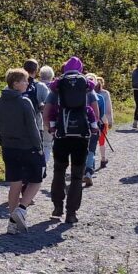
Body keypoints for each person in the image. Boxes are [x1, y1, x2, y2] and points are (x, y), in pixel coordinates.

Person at [0, 69, 45, 233]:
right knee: (37, 180)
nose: (27, 83)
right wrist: (39, 147)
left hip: (9, 148)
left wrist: (4, 142)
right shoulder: (24, 102)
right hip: (28, 148)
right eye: (24, 81)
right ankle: (21, 209)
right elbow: (32, 128)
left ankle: (12, 224)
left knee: (15, 184)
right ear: (15, 83)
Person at [44, 57, 97, 224]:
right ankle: (71, 213)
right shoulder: (86, 85)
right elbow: (95, 110)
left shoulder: (58, 86)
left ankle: (57, 207)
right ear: (81, 69)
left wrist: (51, 128)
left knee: (59, 171)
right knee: (76, 175)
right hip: (81, 136)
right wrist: (94, 127)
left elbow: (46, 111)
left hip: (62, 134)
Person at [36, 64, 57, 165]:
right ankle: (43, 166)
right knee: (47, 144)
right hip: (49, 119)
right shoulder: (55, 88)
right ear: (52, 76)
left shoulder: (34, 86)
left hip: (36, 119)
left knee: (36, 144)